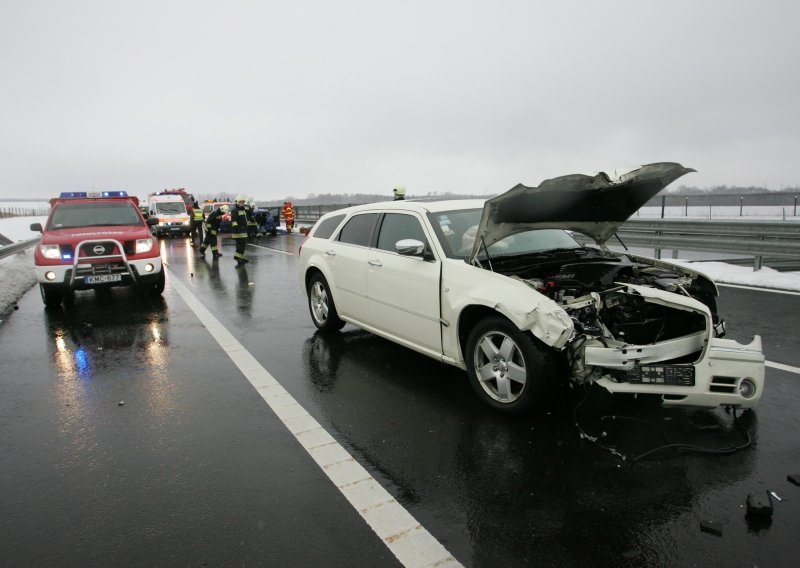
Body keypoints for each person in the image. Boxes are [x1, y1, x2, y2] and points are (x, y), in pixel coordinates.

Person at [231, 196, 250, 267]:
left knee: (242, 244)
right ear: (237, 202)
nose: (242, 203)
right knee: (241, 244)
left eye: (243, 202)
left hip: (243, 230)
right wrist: (237, 229)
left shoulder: (242, 209)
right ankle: (237, 256)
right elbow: (234, 220)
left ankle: (241, 258)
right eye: (241, 202)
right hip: (238, 231)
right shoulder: (235, 210)